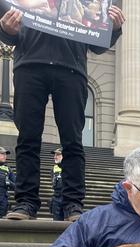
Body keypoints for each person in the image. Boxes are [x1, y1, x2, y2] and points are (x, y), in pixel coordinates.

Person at [0, 4, 125, 222]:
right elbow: (9, 33)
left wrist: (112, 29)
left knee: (73, 142)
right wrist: (6, 29)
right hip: (30, 67)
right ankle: (25, 202)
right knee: (27, 139)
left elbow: (97, 45)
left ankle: (72, 205)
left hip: (71, 70)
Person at [0, 146, 16, 218]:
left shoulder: (8, 169)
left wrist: (9, 182)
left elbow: (16, 186)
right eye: (2, 154)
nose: (5, 156)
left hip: (3, 200)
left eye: (5, 154)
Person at [49, 148, 64, 221]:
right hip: (56, 197)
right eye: (54, 155)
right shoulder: (53, 169)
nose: (55, 157)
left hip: (67, 198)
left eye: (58, 155)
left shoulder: (71, 168)